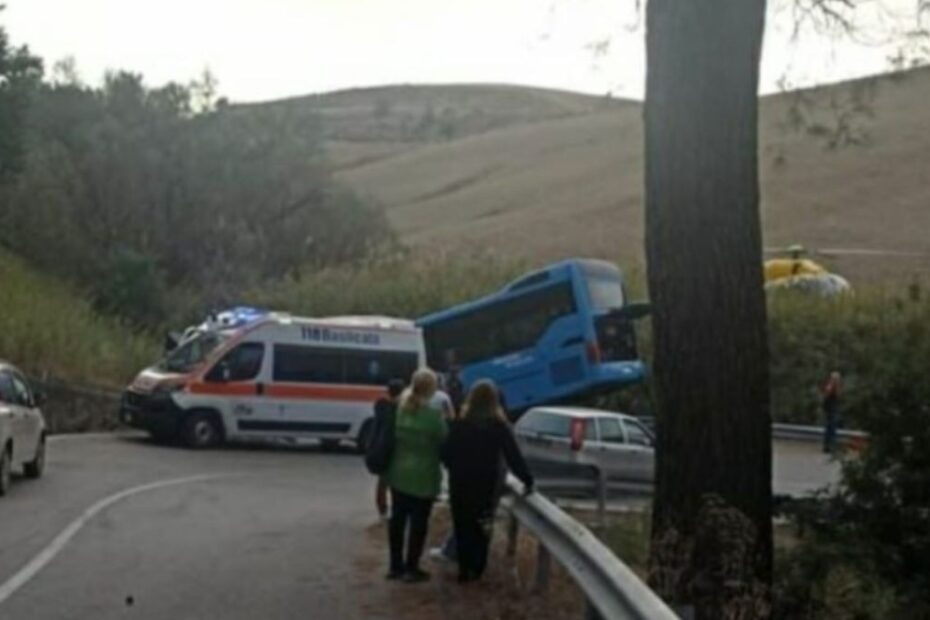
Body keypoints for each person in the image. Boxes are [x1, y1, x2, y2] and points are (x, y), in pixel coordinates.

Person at [442, 379, 534, 583]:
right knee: (483, 523)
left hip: (460, 480)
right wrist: (527, 479)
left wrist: (453, 467)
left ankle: (464, 568)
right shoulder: (499, 427)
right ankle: (477, 567)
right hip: (485, 482)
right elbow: (513, 456)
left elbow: (446, 452)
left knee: (462, 523)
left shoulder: (460, 423)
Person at [384, 369, 448, 583]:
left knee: (397, 521)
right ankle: (412, 568)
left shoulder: (400, 411)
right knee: (418, 524)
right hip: (424, 476)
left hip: (398, 472)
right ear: (431, 389)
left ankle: (395, 565)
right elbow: (444, 440)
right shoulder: (432, 417)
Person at [373, 379, 406, 518]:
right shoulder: (400, 408)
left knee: (383, 480)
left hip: (382, 448)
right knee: (396, 481)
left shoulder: (381, 406)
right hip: (396, 448)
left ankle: (382, 509)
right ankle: (395, 508)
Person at [822, 371, 842, 454]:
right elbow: (829, 394)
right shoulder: (831, 385)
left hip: (831, 409)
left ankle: (828, 446)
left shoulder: (834, 386)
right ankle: (829, 446)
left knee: (830, 428)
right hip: (831, 409)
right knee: (831, 428)